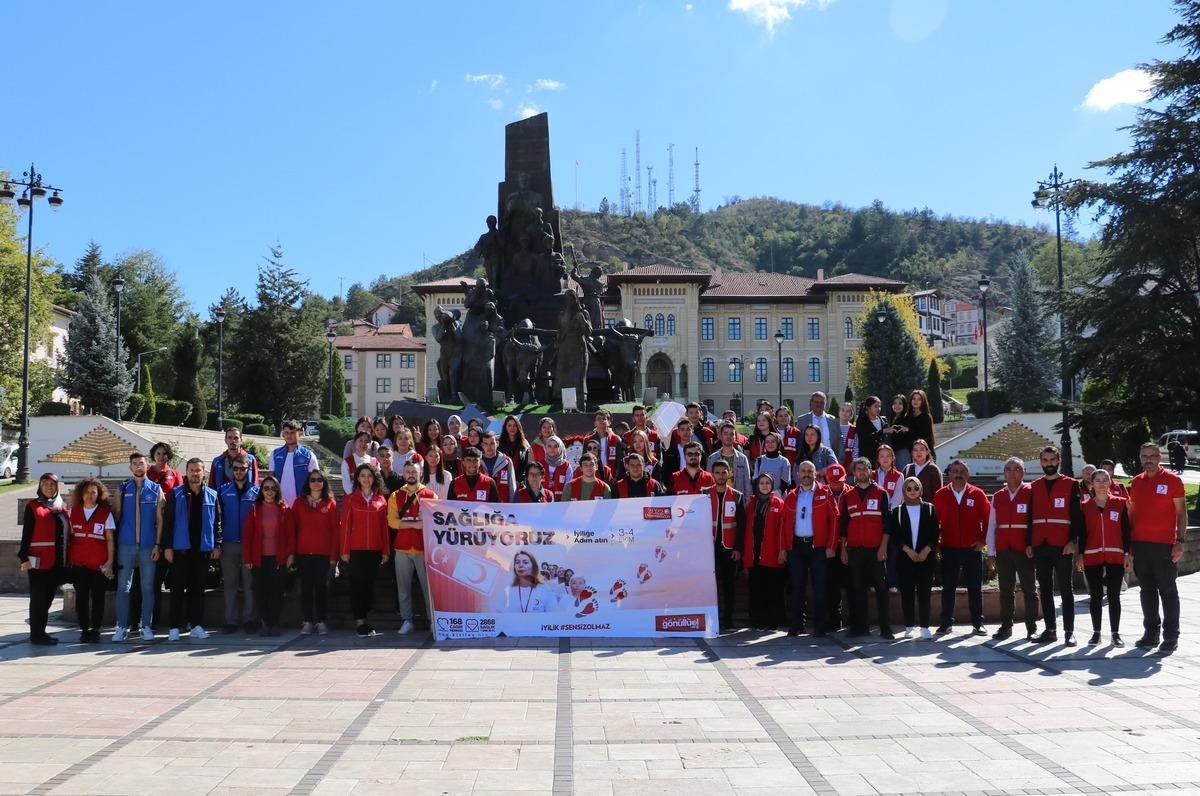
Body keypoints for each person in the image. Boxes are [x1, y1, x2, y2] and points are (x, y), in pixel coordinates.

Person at [1128, 441, 1188, 653]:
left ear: (1159, 457)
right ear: (1140, 458)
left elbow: (1181, 514)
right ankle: (1151, 634)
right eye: (1144, 456)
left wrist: (1179, 542)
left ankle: (1171, 636)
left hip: (1164, 546)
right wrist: (1129, 547)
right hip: (1140, 546)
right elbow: (1132, 514)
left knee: (1168, 592)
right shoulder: (1136, 482)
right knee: (1147, 591)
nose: (1148, 460)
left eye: (1152, 455)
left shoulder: (1173, 480)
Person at [1028, 445, 1085, 646]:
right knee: (1044, 588)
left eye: (1052, 460)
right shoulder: (1033, 486)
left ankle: (1069, 632)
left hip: (1063, 545)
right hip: (1041, 545)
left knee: (1066, 589)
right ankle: (1050, 630)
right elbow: (1029, 517)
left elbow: (1077, 517)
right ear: (1040, 462)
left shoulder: (1071, 484)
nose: (1049, 463)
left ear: (1058, 461)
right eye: (1045, 460)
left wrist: (1073, 542)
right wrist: (1029, 543)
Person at [164, 458, 222, 641]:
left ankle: (196, 625)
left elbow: (217, 523)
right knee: (177, 589)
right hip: (181, 550)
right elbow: (168, 522)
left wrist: (217, 544)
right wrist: (167, 547)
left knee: (198, 590)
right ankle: (174, 626)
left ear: (203, 472)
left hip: (202, 550)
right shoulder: (176, 493)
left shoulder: (212, 495)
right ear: (186, 472)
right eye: (191, 470)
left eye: (198, 470)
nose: (195, 474)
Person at [932, 461, 990, 636]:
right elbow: (934, 523)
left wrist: (982, 540)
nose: (958, 474)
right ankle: (946, 623)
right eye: (955, 471)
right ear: (949, 474)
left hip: (972, 549)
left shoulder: (978, 494)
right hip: (949, 548)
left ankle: (978, 623)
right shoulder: (941, 495)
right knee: (948, 587)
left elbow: (988, 518)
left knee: (975, 587)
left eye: (962, 471)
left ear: (968, 474)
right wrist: (937, 545)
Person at [111, 453, 165, 642]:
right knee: (123, 587)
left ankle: (146, 626)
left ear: (147, 465)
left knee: (148, 587)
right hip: (126, 545)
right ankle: (121, 626)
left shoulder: (156, 489)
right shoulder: (123, 488)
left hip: (148, 545)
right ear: (130, 468)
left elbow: (160, 521)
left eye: (141, 463)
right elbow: (115, 517)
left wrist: (158, 544)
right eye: (134, 464)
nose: (138, 466)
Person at [781, 461, 838, 637]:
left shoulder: (825, 492)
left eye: (809, 471)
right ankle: (798, 624)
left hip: (818, 547)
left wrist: (831, 545)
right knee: (797, 587)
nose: (806, 474)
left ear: (816, 474)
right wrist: (783, 548)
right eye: (803, 471)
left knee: (820, 587)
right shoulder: (791, 495)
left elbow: (835, 519)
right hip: (797, 547)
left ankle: (820, 625)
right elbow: (784, 524)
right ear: (798, 474)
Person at [839, 457, 894, 639]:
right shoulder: (848, 496)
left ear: (871, 471)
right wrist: (843, 550)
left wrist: (883, 547)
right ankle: (859, 627)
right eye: (858, 469)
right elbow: (844, 525)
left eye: (864, 468)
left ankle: (885, 628)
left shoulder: (881, 493)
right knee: (857, 590)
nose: (861, 472)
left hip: (876, 549)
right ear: (854, 473)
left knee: (881, 589)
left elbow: (888, 524)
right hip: (855, 550)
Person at [1077, 468, 1131, 647]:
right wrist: (1080, 556)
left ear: (1110, 482)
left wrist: (1127, 554)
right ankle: (1096, 633)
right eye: (1097, 480)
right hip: (1092, 556)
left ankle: (1115, 634)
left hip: (1116, 555)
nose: (1101, 483)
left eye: (1104, 479)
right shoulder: (1085, 506)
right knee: (1096, 596)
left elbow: (1126, 531)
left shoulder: (1121, 503)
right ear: (1091, 484)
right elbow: (1082, 534)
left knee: (1114, 596)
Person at [986, 457, 1038, 641]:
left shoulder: (1031, 492)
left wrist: (1033, 545)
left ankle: (1032, 628)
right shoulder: (998, 496)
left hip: (1025, 550)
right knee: (1005, 591)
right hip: (1004, 550)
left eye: (1016, 469)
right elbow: (992, 525)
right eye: (1008, 469)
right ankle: (1006, 626)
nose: (1012, 472)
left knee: (1029, 590)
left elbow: (1036, 523)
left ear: (1023, 472)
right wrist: (991, 552)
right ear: (1004, 473)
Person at [18, 473, 68, 645]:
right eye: (45, 483)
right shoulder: (33, 506)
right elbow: (27, 534)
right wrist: (23, 556)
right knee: (38, 599)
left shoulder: (62, 507)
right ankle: (36, 635)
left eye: (52, 484)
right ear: (40, 486)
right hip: (38, 562)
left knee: (48, 599)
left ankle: (41, 631)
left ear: (57, 487)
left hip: (56, 563)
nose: (49, 487)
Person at [341, 463, 391, 636]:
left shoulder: (381, 500)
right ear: (358, 478)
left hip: (375, 550)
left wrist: (386, 550)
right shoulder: (350, 499)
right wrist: (345, 550)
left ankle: (365, 613)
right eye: (362, 475)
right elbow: (346, 526)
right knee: (357, 585)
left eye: (369, 475)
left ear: (374, 478)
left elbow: (384, 527)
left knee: (369, 585)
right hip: (356, 549)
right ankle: (360, 622)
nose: (366, 479)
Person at [389, 461, 436, 635]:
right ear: (403, 474)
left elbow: (433, 521)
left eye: (414, 472)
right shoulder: (395, 495)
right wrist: (416, 524)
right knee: (403, 588)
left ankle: (433, 621)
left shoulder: (430, 495)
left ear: (420, 473)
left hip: (424, 549)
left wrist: (408, 523)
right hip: (401, 548)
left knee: (428, 589)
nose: (411, 474)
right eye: (408, 471)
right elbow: (392, 522)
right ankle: (407, 620)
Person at [242, 475, 292, 636]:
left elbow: (290, 535)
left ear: (277, 490)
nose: (269, 492)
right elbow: (248, 536)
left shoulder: (284, 509)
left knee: (277, 592)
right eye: (266, 488)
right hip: (259, 558)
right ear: (261, 491)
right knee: (261, 592)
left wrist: (291, 555)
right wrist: (248, 558)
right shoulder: (255, 510)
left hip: (278, 558)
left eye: (273, 488)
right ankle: (265, 624)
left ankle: (275, 623)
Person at [217, 453, 260, 635]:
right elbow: (217, 518)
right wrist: (218, 542)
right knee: (231, 584)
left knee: (250, 584)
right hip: (229, 543)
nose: (239, 472)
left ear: (248, 469)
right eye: (235, 469)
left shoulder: (257, 491)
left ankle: (250, 619)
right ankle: (231, 620)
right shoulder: (223, 490)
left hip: (249, 544)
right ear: (231, 470)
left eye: (242, 469)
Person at [293, 470, 338, 635]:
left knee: (321, 588)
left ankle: (321, 621)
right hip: (303, 553)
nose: (316, 482)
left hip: (323, 554)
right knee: (305, 588)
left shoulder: (330, 504)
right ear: (308, 483)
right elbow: (293, 529)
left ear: (324, 483)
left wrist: (334, 557)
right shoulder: (299, 503)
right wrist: (292, 553)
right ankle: (306, 621)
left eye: (320, 479)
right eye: (313, 480)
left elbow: (335, 531)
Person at [744, 473, 787, 630]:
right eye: (761, 482)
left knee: (773, 590)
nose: (764, 485)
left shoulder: (779, 504)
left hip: (772, 553)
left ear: (772, 485)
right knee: (756, 589)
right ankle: (757, 620)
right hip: (754, 554)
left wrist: (782, 550)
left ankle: (774, 621)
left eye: (767, 483)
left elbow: (783, 530)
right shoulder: (751, 504)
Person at [705, 460, 745, 628]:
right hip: (708, 548)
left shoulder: (737, 496)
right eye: (717, 473)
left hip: (729, 548)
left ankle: (727, 619)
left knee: (728, 584)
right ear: (712, 474)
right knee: (710, 584)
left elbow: (741, 524)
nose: (721, 476)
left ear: (729, 474)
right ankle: (710, 618)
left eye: (724, 472)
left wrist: (738, 548)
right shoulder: (704, 494)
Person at [823, 463, 850, 632]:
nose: (836, 484)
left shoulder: (852, 492)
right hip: (829, 545)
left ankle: (854, 620)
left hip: (847, 544)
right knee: (831, 584)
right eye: (833, 481)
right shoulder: (822, 493)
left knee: (850, 583)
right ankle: (834, 620)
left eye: (839, 481)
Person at [273, 420, 321, 506]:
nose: (289, 435)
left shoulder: (309, 455)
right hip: (280, 504)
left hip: (302, 504)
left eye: (292, 433)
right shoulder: (275, 454)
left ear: (299, 433)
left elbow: (316, 480)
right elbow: (271, 478)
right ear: (283, 434)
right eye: (286, 433)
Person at [796, 392, 843, 468]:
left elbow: (839, 441)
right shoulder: (802, 420)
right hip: (809, 460)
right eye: (816, 402)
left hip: (830, 460)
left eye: (822, 402)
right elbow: (798, 442)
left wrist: (839, 462)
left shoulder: (833, 420)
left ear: (825, 404)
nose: (819, 404)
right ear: (811, 403)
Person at [707, 422, 752, 499]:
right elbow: (709, 482)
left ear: (735, 437)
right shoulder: (712, 459)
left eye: (732, 434)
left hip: (737, 500)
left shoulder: (742, 458)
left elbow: (747, 482)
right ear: (720, 436)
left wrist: (747, 502)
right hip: (719, 499)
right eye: (726, 433)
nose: (729, 436)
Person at [479, 431, 518, 502]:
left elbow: (512, 486)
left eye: (492, 443)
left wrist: (512, 505)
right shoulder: (477, 462)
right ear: (482, 445)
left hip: (502, 505)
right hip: (482, 506)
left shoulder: (506, 461)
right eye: (486, 444)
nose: (489, 447)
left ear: (497, 443)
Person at [754, 432, 791, 496]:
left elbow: (785, 483)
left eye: (773, 441)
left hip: (779, 499)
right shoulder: (759, 460)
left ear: (778, 443)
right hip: (762, 498)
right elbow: (756, 480)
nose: (770, 444)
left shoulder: (784, 461)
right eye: (767, 442)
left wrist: (773, 495)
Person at [855, 396, 888, 467]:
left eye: (879, 406)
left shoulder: (883, 420)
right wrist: (882, 432)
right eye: (875, 406)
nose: (878, 409)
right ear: (868, 407)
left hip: (883, 458)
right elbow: (864, 438)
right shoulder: (862, 421)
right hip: (868, 458)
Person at [905, 389, 936, 462]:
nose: (916, 401)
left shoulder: (926, 417)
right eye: (914, 398)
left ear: (923, 402)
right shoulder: (907, 416)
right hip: (911, 454)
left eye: (919, 399)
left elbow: (924, 435)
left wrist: (908, 430)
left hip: (926, 454)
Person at [539, 435, 573, 500]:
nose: (552, 449)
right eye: (549, 446)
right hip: (542, 502)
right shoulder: (540, 464)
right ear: (546, 448)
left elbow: (569, 487)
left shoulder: (566, 466)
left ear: (560, 448)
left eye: (555, 446)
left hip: (561, 503)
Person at [498, 415, 531, 482]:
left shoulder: (524, 443)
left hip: (519, 481)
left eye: (514, 425)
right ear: (505, 427)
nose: (512, 428)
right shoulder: (499, 443)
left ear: (518, 427)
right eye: (509, 425)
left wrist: (518, 480)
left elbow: (525, 464)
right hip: (503, 479)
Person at [884, 394, 913, 469]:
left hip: (903, 452)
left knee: (904, 474)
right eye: (895, 403)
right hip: (894, 452)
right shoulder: (892, 418)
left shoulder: (907, 418)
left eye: (900, 403)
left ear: (904, 405)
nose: (897, 406)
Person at [874, 445, 905, 511]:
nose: (885, 459)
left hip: (891, 511)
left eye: (888, 456)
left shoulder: (899, 476)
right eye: (882, 456)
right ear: (878, 459)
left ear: (893, 458)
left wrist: (887, 509)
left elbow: (898, 498)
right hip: (874, 510)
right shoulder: (871, 475)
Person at [838, 401, 859, 468]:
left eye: (848, 411)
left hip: (849, 461)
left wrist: (854, 461)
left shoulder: (853, 429)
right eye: (843, 410)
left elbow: (856, 447)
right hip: (835, 459)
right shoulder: (834, 426)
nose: (845, 413)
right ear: (839, 412)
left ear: (851, 414)